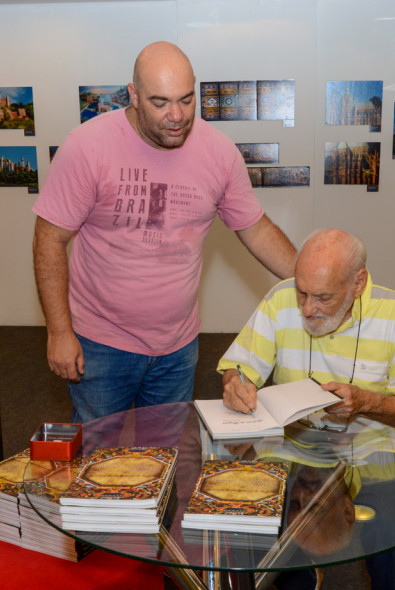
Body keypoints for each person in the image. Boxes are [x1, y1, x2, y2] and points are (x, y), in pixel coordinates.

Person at [32, 41, 296, 423]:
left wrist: (309, 279)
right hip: (100, 343)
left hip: (177, 347)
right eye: (160, 103)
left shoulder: (219, 153)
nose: (177, 115)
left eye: (186, 100)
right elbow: (49, 240)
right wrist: (59, 332)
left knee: (168, 454)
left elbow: (255, 229)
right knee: (99, 459)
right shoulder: (87, 147)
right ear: (134, 95)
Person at [218, 228, 395, 590]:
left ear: (359, 283)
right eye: (302, 292)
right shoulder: (278, 301)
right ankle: (300, 588)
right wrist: (236, 382)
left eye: (323, 297)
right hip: (294, 446)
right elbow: (238, 366)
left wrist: (365, 401)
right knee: (243, 520)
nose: (308, 309)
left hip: (370, 450)